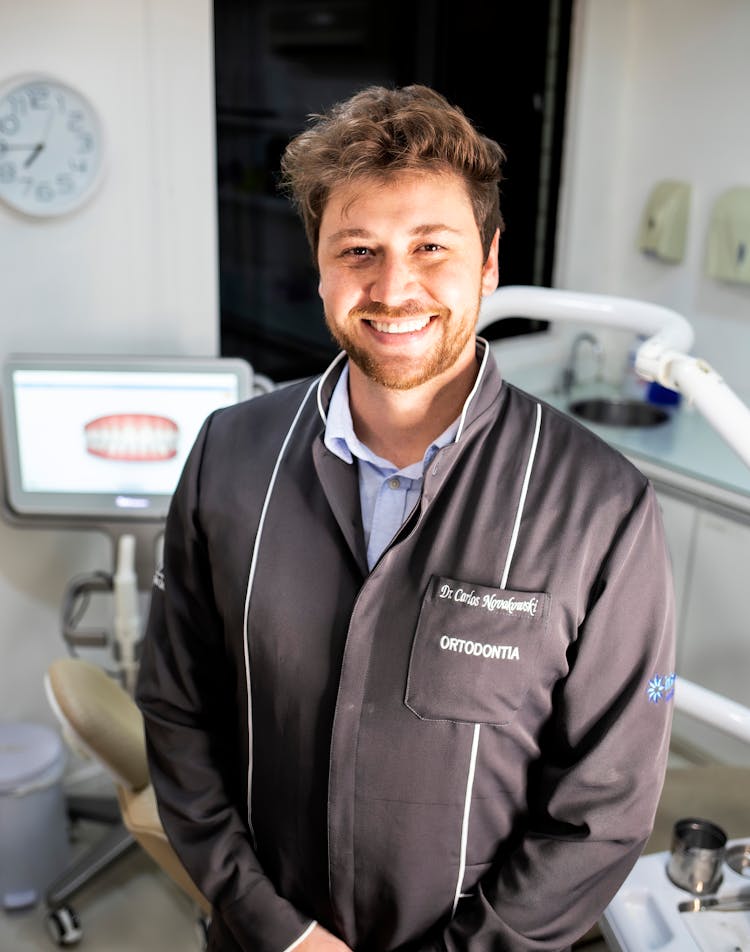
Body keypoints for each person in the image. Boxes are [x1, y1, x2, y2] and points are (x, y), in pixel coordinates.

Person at [137, 85, 675, 952]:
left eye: (432, 246)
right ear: (319, 268)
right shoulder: (229, 459)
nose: (395, 287)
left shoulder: (601, 506)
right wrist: (279, 930)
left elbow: (604, 805)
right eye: (359, 250)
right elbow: (175, 711)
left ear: (489, 262)